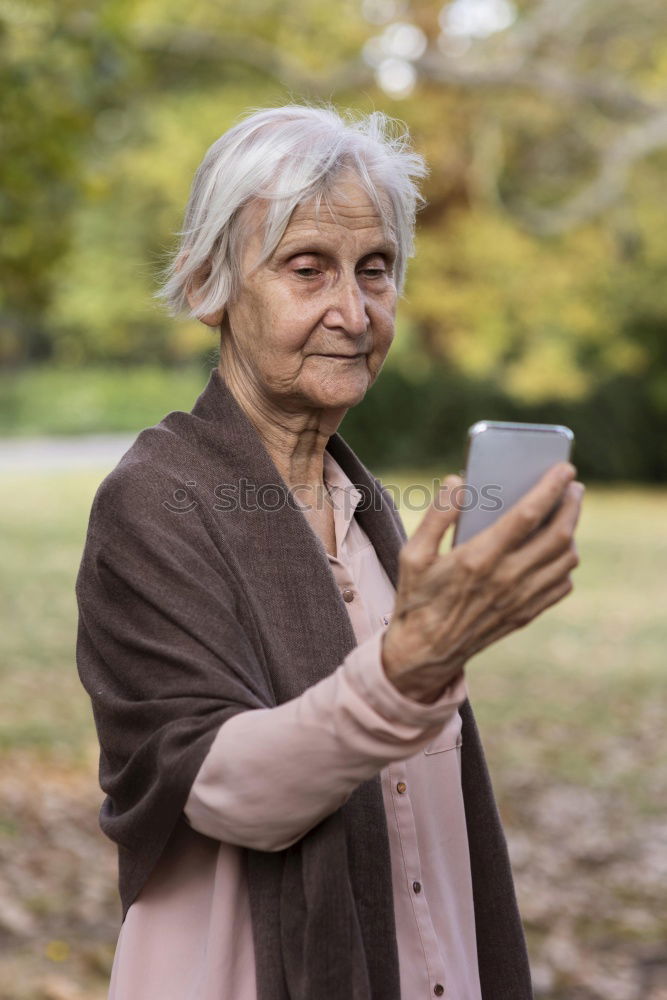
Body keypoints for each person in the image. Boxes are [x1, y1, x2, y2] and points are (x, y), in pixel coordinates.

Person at [75, 105, 584, 1000]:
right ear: (208, 286)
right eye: (307, 268)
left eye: (376, 271)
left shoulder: (371, 507)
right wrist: (409, 669)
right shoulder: (154, 500)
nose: (352, 311)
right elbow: (221, 789)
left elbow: (421, 829)